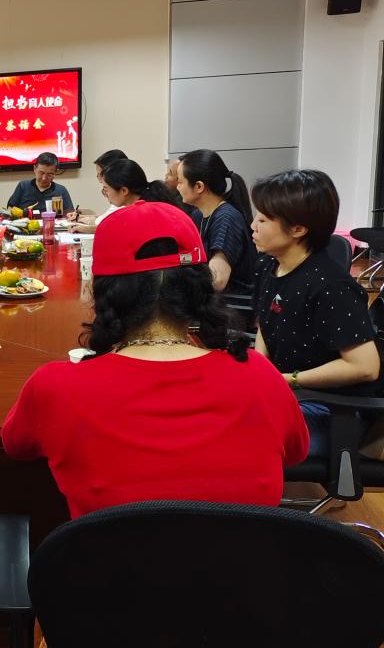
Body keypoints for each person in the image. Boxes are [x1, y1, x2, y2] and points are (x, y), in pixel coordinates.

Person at [2, 201, 308, 519]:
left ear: (98, 290)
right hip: (244, 553)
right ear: (199, 289)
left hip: (108, 554)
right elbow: (295, 452)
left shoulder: (55, 387)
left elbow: (16, 446)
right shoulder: (259, 375)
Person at [251, 170, 380, 457]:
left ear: (298, 229)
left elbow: (365, 366)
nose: (253, 226)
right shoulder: (268, 266)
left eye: (263, 220)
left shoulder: (330, 286)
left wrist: (289, 379)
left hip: (331, 409)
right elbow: (266, 324)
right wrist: (261, 372)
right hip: (289, 395)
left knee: (233, 435)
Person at [177, 149, 257, 295]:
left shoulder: (226, 218)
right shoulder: (198, 215)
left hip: (232, 305)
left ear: (199, 187)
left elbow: (218, 280)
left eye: (180, 182)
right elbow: (193, 257)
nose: (177, 187)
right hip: (212, 302)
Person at [68, 148, 128, 234]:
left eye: (101, 175)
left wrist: (83, 227)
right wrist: (80, 218)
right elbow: (107, 218)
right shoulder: (120, 190)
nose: (100, 180)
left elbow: (108, 225)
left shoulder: (122, 192)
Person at [6, 151, 74, 215]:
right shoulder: (23, 186)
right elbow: (10, 208)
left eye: (49, 174)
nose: (44, 178)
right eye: (41, 173)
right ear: (34, 169)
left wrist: (72, 215)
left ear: (55, 173)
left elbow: (70, 213)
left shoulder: (61, 190)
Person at [99, 159, 176, 211]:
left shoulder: (143, 213)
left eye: (106, 189)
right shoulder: (152, 201)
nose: (105, 194)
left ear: (124, 191)